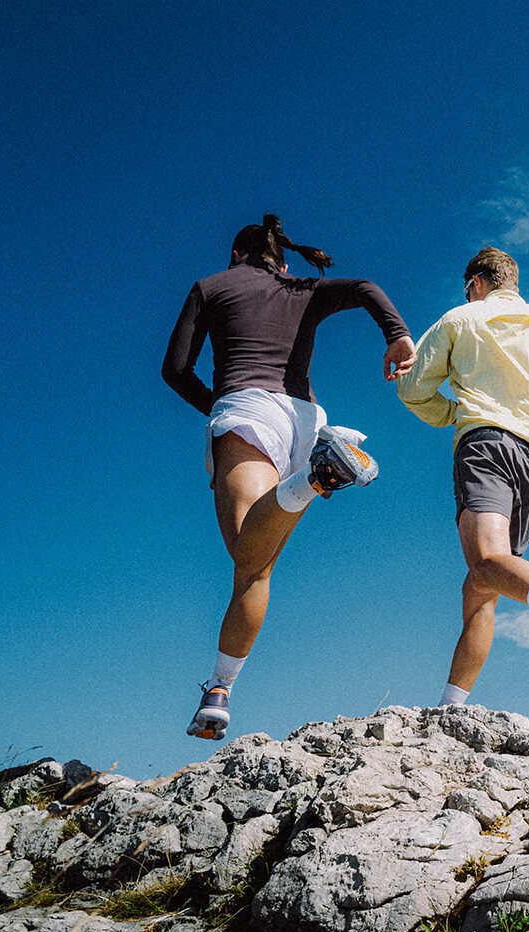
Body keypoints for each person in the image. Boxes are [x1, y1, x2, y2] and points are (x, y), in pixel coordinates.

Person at [163, 214, 416, 740]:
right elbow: (366, 287)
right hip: (304, 421)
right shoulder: (302, 287)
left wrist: (222, 408)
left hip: (247, 410)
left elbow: (175, 370)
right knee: (256, 566)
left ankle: (318, 474)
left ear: (236, 256)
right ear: (281, 260)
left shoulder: (211, 286)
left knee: (245, 551)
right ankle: (219, 688)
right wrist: (397, 336)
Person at [396, 247, 529, 708]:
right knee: (484, 584)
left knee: (485, 562)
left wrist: (454, 412)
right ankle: (450, 707)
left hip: (487, 447)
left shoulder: (459, 319)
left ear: (475, 282)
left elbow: (413, 389)